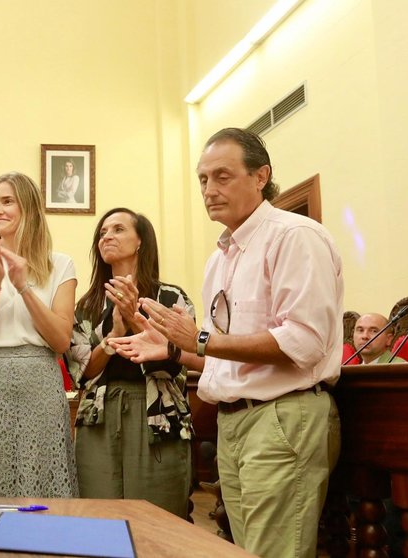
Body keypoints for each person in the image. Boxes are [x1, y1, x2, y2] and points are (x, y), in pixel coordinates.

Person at [111, 128, 342, 558]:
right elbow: (224, 359)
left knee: (275, 552)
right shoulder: (219, 257)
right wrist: (174, 350)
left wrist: (198, 338)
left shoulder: (294, 235)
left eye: (222, 176)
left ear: (260, 176)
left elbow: (305, 342)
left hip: (282, 416)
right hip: (232, 422)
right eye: (202, 179)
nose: (209, 190)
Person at [0, 171, 78, 498]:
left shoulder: (60, 265)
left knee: (42, 481)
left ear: (29, 209)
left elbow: (61, 340)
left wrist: (22, 285)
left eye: (7, 201)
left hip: (41, 385)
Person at [67, 208, 193, 517]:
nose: (107, 236)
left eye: (118, 229)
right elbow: (81, 374)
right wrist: (113, 335)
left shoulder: (169, 298)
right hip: (100, 415)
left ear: (140, 242)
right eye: (102, 232)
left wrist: (135, 320)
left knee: (158, 515)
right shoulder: (86, 306)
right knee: (100, 514)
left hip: (157, 414)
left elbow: (179, 361)